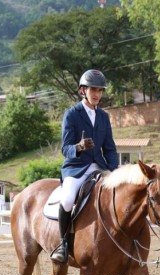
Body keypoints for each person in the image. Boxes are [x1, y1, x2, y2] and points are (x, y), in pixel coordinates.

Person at [50, 69, 119, 263]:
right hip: (76, 167)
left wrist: (113, 169)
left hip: (99, 166)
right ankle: (63, 245)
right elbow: (65, 148)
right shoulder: (72, 114)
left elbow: (110, 148)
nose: (97, 94)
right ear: (83, 90)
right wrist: (79, 147)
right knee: (68, 198)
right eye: (93, 89)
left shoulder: (104, 117)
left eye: (100, 90)